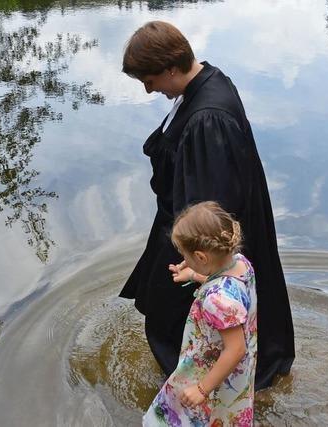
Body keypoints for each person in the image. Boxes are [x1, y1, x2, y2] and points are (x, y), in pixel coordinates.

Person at [120, 20, 294, 390]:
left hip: (199, 239)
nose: (148, 89)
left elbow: (212, 203)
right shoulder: (210, 81)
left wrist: (199, 266)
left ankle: (197, 387)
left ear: (170, 68)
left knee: (168, 316)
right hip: (187, 226)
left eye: (148, 79)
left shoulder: (207, 118)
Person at [143, 201, 256, 426]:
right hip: (237, 373)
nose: (184, 260)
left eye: (185, 255)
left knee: (174, 415)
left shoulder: (217, 300)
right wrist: (195, 276)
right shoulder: (241, 264)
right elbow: (225, 286)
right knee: (225, 415)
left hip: (209, 371)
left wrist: (202, 389)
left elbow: (235, 348)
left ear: (201, 257)